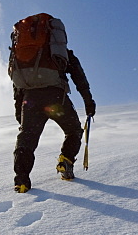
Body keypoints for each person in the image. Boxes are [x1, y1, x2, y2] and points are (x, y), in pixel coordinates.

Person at [13, 49, 95, 192]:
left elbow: (17, 84)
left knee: (27, 136)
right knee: (73, 130)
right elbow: (78, 76)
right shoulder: (60, 50)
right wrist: (88, 101)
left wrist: (19, 112)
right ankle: (66, 161)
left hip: (30, 99)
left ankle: (21, 179)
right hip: (55, 98)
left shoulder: (25, 53)